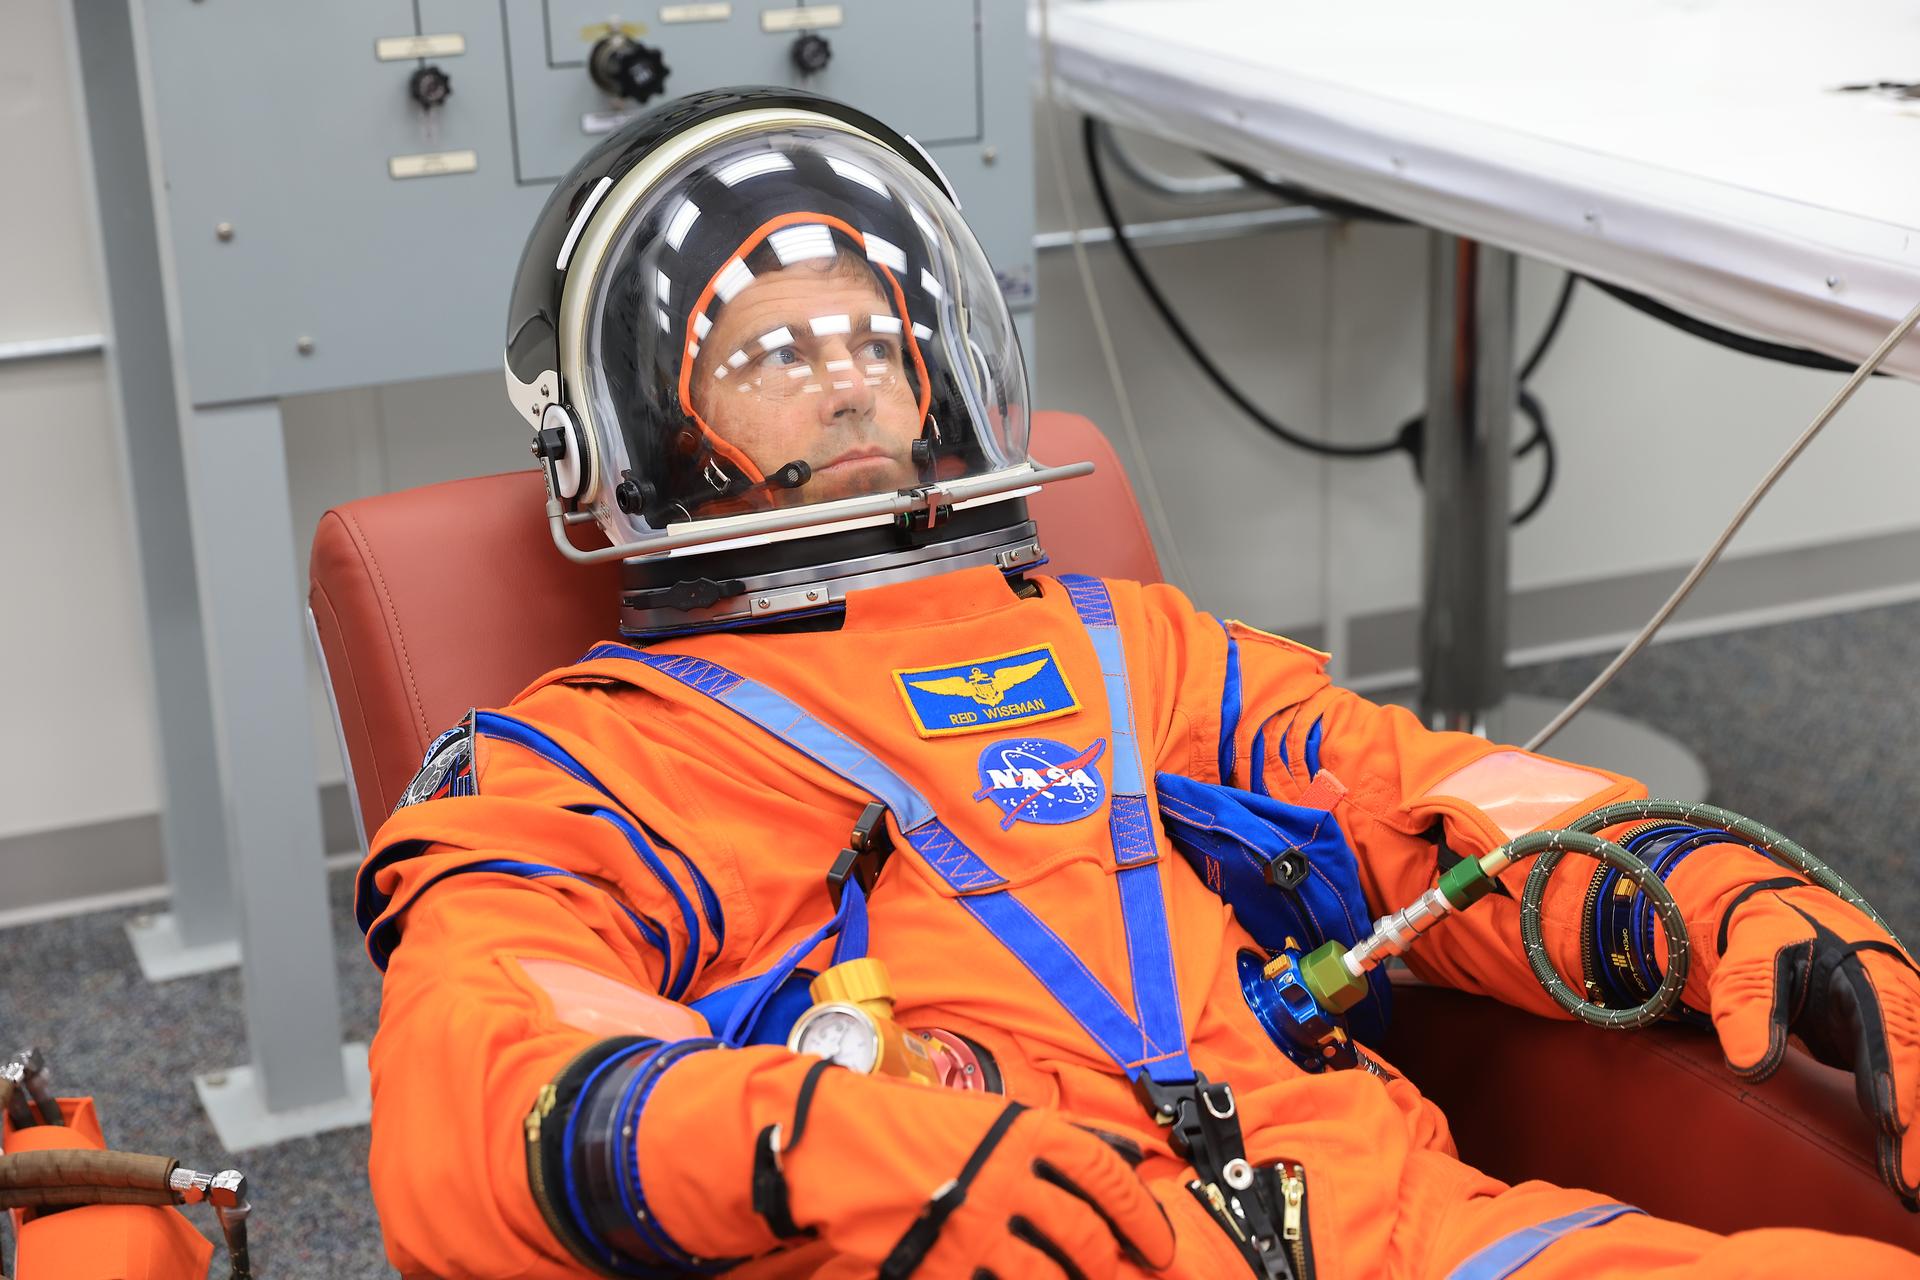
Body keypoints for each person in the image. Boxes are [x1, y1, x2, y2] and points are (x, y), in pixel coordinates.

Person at [362, 88, 1920, 1279]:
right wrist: (809, 1144)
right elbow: (483, 1067)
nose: (845, 379)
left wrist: (1714, 894)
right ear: (638, 430)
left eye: (870, 341)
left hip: (1391, 1222)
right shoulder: (587, 763)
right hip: (997, 1238)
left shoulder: (1136, 652)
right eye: (774, 355)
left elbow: (1429, 801)